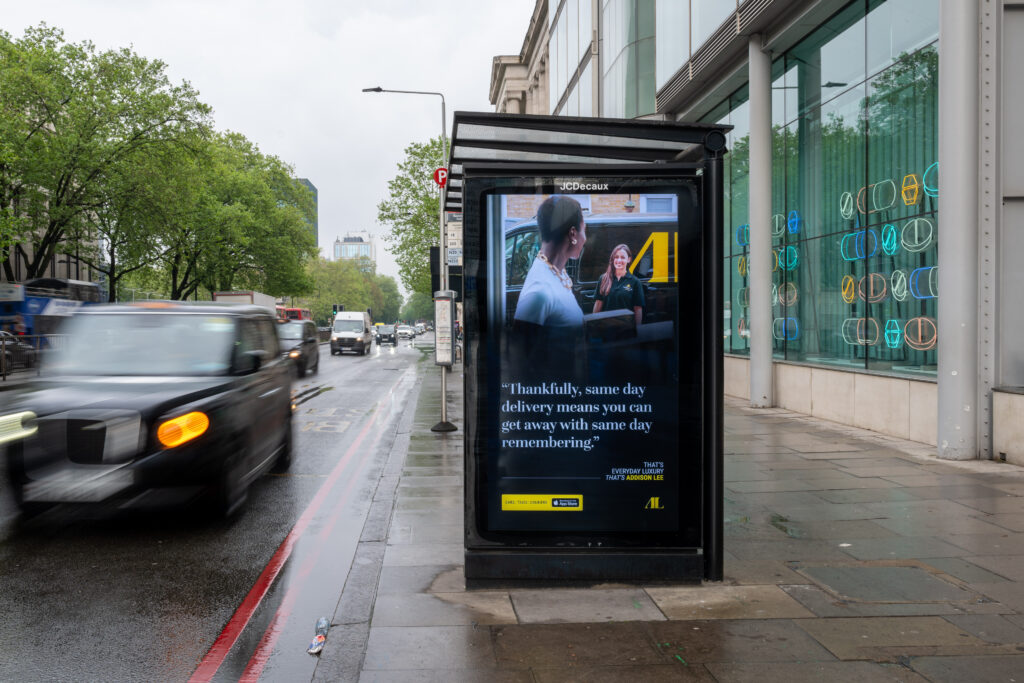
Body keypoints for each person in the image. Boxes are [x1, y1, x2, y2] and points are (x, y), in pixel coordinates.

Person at [512, 195, 587, 330]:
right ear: (573, 234)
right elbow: (520, 348)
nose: (585, 238)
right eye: (584, 230)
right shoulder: (539, 291)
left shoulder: (557, 271)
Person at [592, 243, 645, 327]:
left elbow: (638, 309)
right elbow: (598, 303)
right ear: (613, 259)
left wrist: (638, 330)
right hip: (606, 328)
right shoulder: (603, 278)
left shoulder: (635, 282)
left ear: (629, 259)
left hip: (625, 329)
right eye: (616, 257)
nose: (619, 260)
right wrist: (594, 325)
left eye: (623, 257)